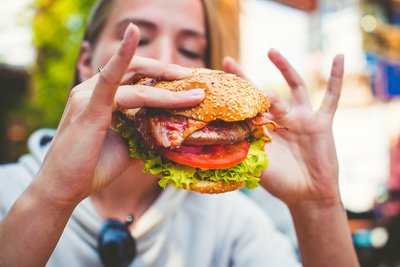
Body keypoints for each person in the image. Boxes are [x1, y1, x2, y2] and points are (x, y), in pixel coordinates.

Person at [0, 0, 358, 266]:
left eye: (189, 50)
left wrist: (318, 205)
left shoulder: (229, 221)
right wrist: (52, 197)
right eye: (135, 39)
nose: (166, 60)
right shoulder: (9, 193)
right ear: (85, 61)